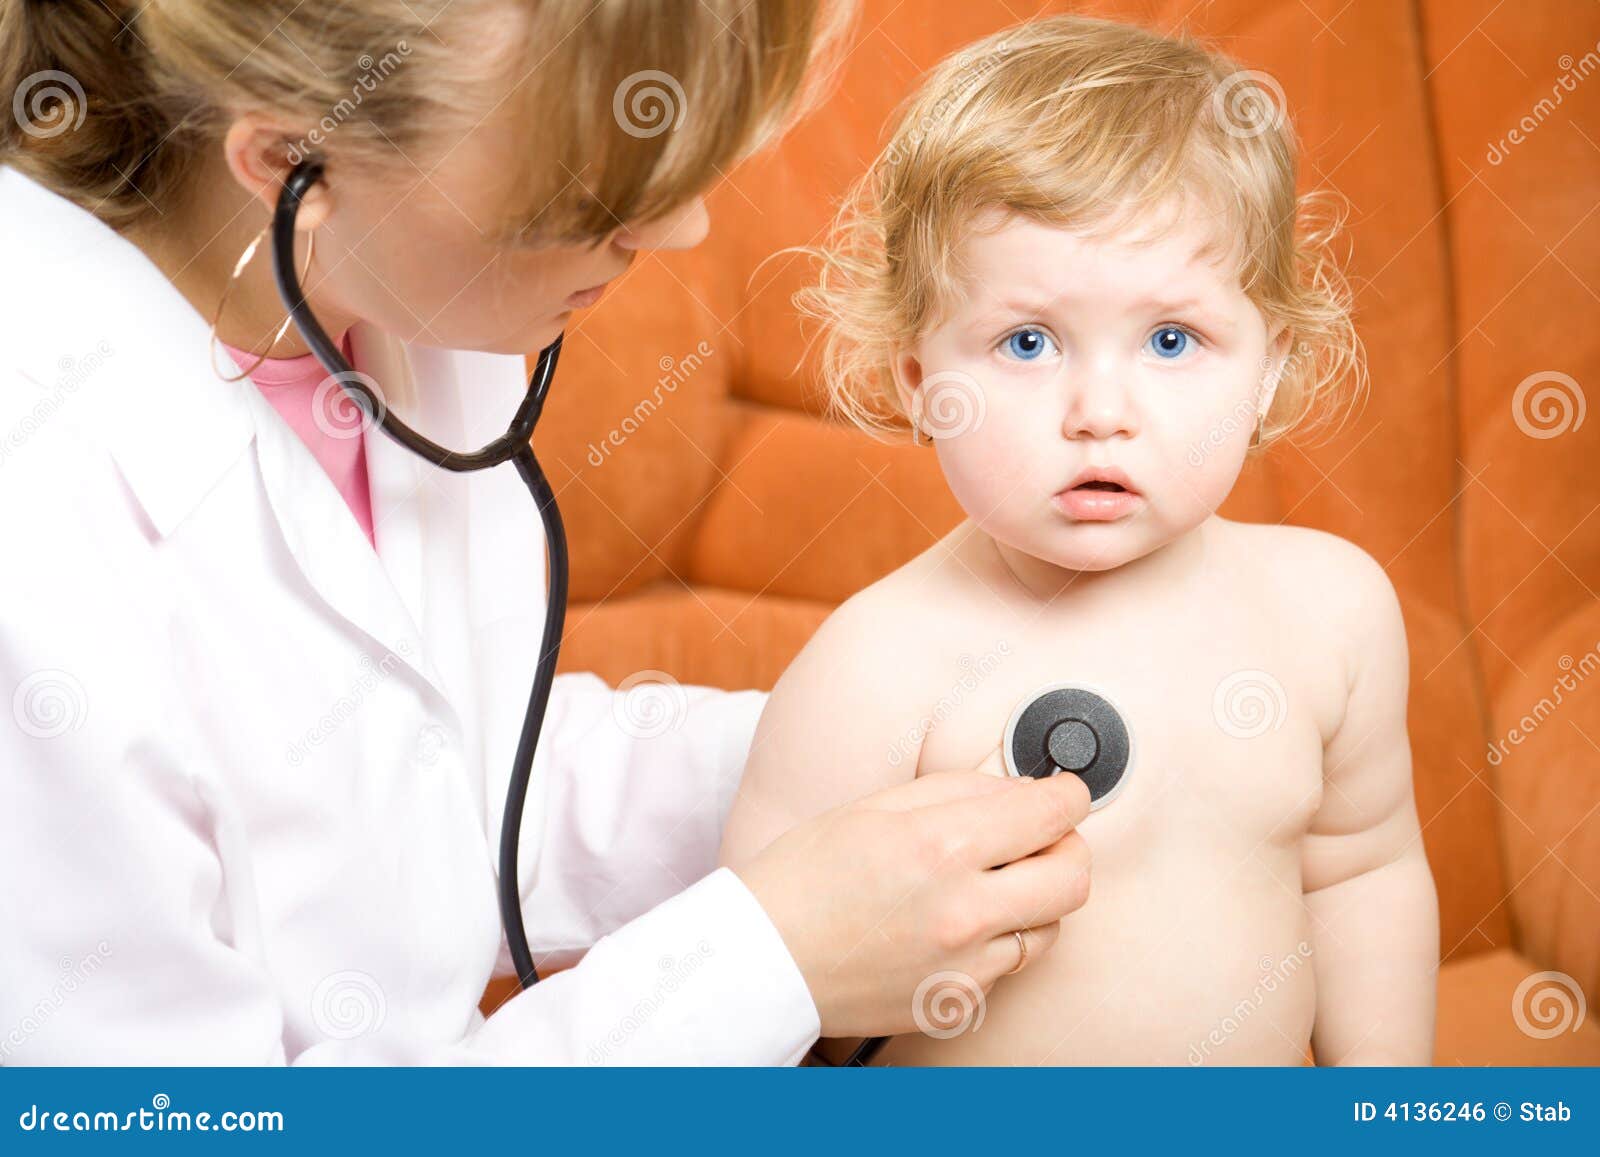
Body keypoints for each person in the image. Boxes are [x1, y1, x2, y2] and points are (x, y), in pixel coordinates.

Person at [0, 0, 1094, 1065]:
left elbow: (437, 776)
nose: (682, 228)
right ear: (292, 163)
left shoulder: (394, 305)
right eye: (582, 199)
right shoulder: (38, 510)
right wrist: (767, 965)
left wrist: (857, 743)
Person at [719, 14, 1439, 1064]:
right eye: (1026, 341)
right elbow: (771, 993)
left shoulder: (1332, 612)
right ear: (919, 379)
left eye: (1169, 338)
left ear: (1270, 363)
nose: (1100, 409)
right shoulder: (875, 666)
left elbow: (1363, 870)